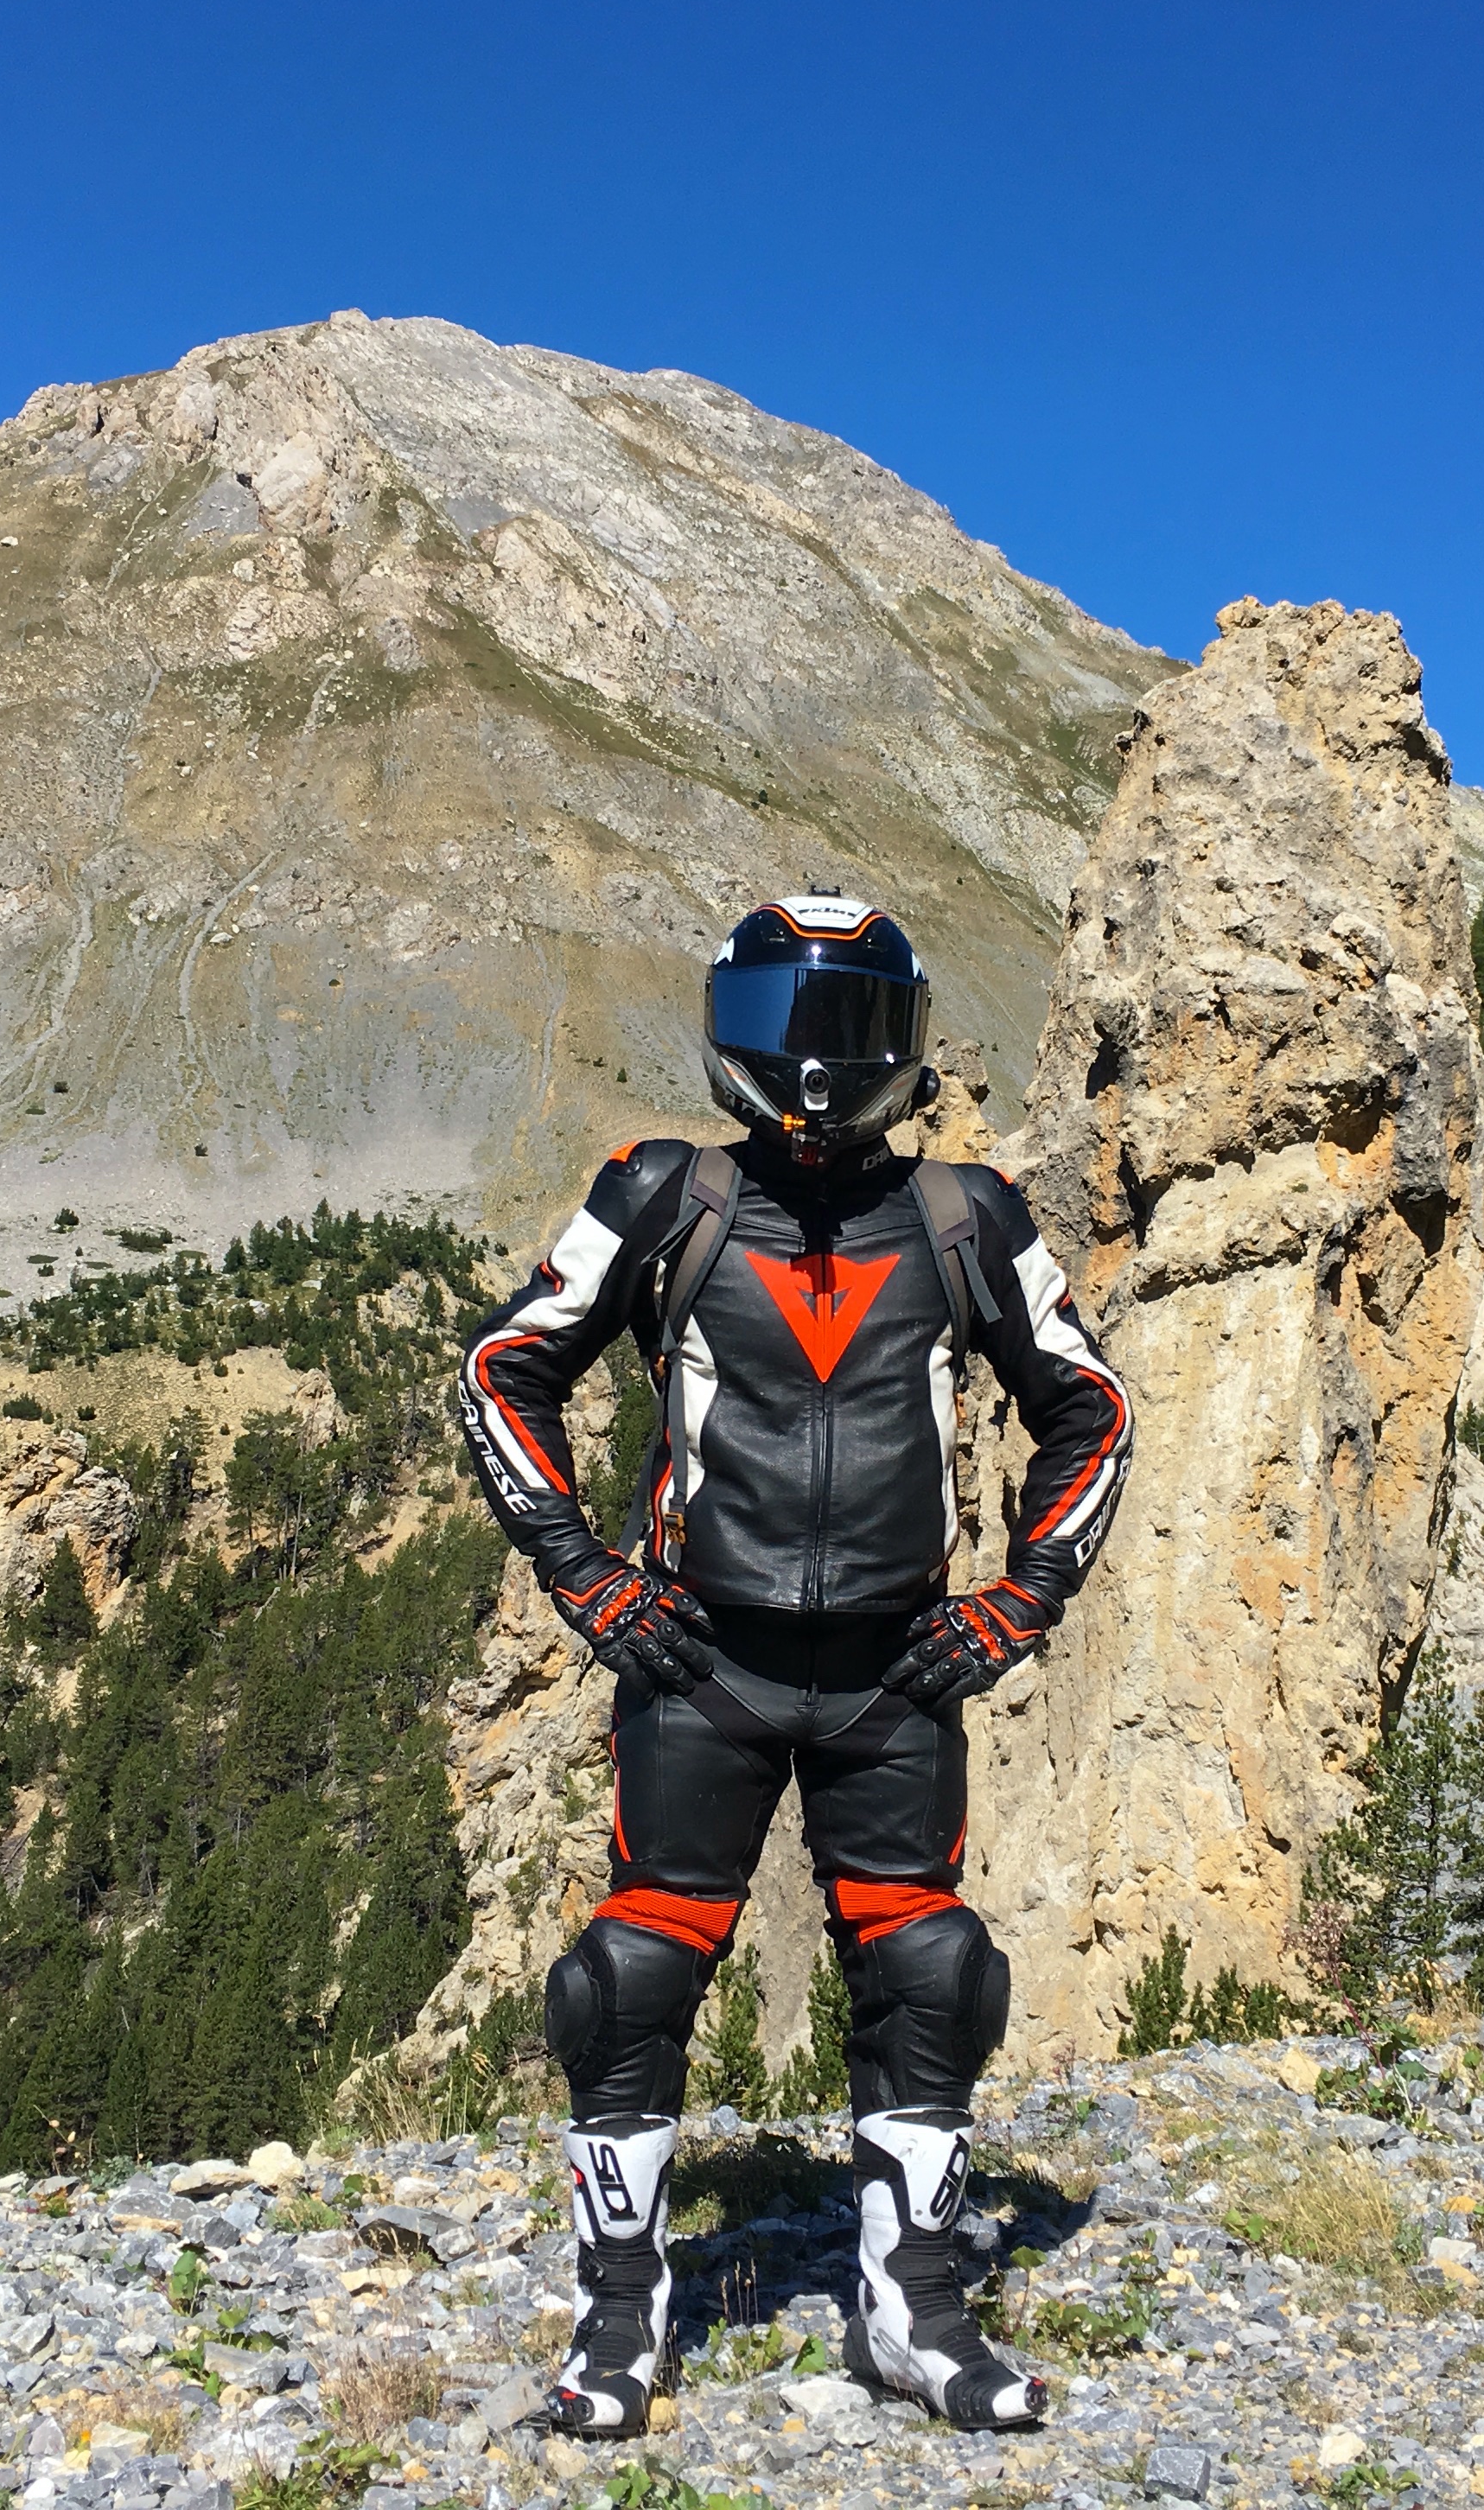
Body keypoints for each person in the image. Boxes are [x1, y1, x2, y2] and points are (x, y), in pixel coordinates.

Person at [458, 897, 1133, 2436]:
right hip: (703, 1661)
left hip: (894, 1673)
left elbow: (1088, 1407)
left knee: (932, 1976)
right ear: (731, 1031)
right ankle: (619, 2319)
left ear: (906, 1046)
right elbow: (504, 1370)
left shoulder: (970, 1218)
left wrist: (1021, 1602)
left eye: (853, 1029)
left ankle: (915, 2314)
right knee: (627, 1983)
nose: (819, 1065)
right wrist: (585, 1576)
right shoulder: (661, 1194)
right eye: (789, 1024)